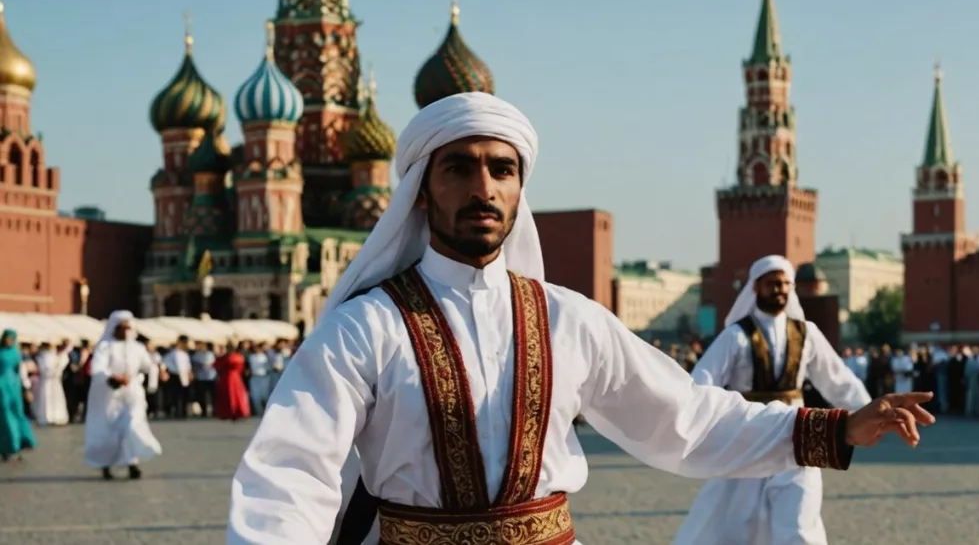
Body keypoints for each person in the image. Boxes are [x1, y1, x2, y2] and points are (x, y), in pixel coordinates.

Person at [226, 92, 934, 545]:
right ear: (420, 192)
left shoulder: (569, 321)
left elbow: (683, 420)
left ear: (519, 189)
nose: (483, 187)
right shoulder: (364, 328)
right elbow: (290, 473)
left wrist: (835, 426)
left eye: (501, 170)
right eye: (459, 169)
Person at [673, 255, 872, 545]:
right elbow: (703, 381)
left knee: (800, 519)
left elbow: (837, 379)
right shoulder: (735, 335)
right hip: (749, 434)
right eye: (772, 284)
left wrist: (867, 411)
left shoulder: (807, 333)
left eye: (784, 284)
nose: (779, 289)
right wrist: (700, 421)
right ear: (755, 288)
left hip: (799, 433)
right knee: (738, 521)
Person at [84, 310, 162, 480]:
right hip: (110, 396)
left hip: (133, 394)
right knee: (112, 431)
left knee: (132, 425)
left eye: (128, 327)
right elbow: (97, 369)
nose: (126, 330)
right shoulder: (105, 347)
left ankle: (132, 462)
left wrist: (156, 375)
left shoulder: (138, 348)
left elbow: (149, 366)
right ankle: (107, 464)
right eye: (123, 327)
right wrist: (112, 378)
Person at [0, 329, 36, 461]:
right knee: (5, 416)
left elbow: (21, 372)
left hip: (14, 389)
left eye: (11, 338)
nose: (9, 341)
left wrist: (26, 389)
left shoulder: (16, 354)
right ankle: (7, 446)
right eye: (7, 338)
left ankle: (20, 441)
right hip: (1, 389)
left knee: (17, 413)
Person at [30, 340, 70, 426]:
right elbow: (45, 370)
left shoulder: (55, 356)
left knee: (55, 398)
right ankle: (48, 417)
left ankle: (57, 416)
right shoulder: (42, 357)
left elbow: (63, 362)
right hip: (47, 381)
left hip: (54, 381)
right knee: (47, 398)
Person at [214, 345, 251, 421]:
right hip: (231, 377)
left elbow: (217, 365)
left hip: (230, 377)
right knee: (230, 394)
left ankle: (234, 411)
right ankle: (230, 412)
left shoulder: (231, 357)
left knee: (233, 394)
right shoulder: (236, 357)